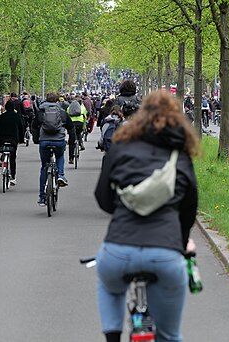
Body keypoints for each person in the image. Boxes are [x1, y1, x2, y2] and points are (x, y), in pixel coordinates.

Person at [94, 90, 199, 342]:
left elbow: (102, 197)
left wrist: (121, 211)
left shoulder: (120, 148)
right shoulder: (179, 156)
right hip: (165, 252)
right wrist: (182, 239)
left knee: (109, 286)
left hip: (119, 248)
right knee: (169, 334)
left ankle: (112, 336)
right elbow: (189, 207)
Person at [32, 91, 75, 206]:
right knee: (60, 156)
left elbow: (34, 127)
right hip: (59, 141)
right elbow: (71, 128)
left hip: (44, 142)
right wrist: (72, 143)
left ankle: (42, 197)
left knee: (44, 167)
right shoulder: (62, 112)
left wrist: (37, 140)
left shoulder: (41, 112)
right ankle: (60, 175)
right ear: (57, 101)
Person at [0, 99, 23, 185]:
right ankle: (13, 177)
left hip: (2, 139)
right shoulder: (17, 117)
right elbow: (21, 129)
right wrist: (21, 139)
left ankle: (2, 158)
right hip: (13, 139)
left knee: (4, 148)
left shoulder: (1, 117)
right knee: (12, 157)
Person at [68, 95, 87, 160]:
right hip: (80, 123)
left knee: (71, 140)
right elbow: (85, 118)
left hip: (72, 123)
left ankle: (71, 158)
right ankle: (81, 144)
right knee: (78, 133)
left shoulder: (70, 107)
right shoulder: (83, 108)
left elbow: (67, 116)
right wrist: (84, 126)